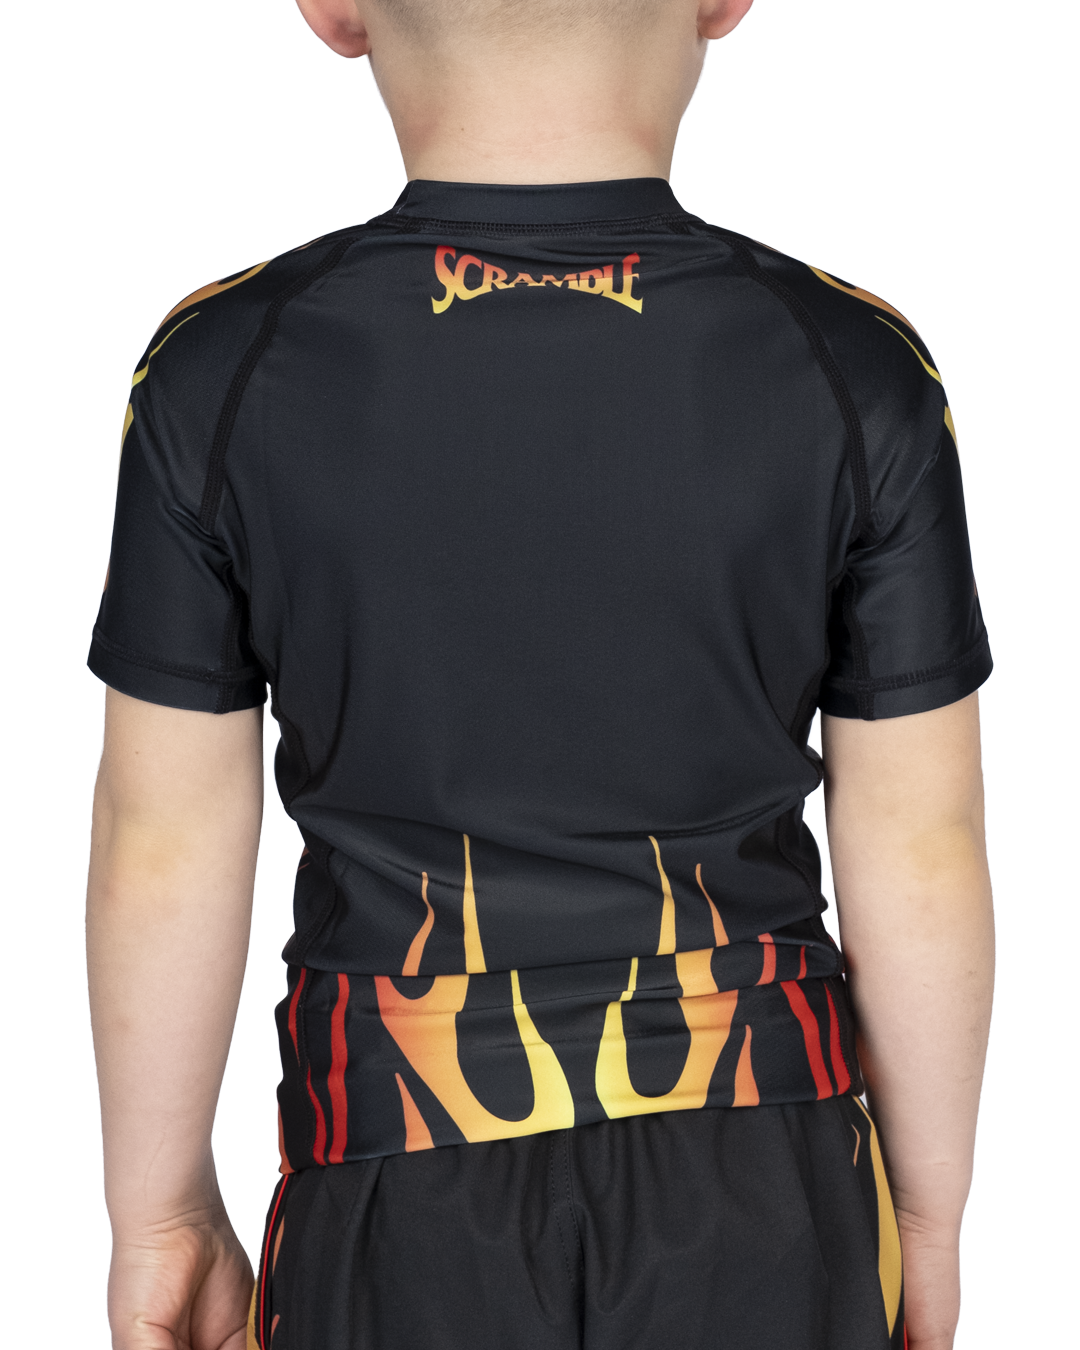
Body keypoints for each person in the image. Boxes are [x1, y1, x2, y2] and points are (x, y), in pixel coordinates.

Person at [86, 1, 996, 1347]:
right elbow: (921, 845)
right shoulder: (855, 369)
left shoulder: (222, 371)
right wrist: (925, 1214)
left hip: (396, 1168)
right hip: (761, 1172)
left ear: (332, 10)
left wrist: (162, 1217)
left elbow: (161, 841)